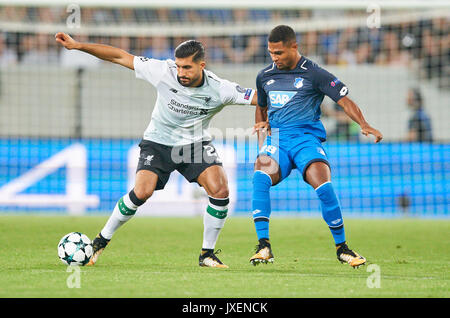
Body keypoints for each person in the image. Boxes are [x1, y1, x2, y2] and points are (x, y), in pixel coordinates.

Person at [55, 32, 257, 268]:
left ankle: (207, 254)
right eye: (179, 66)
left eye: (187, 68)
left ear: (202, 65)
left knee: (220, 191)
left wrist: (271, 117)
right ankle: (101, 241)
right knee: (142, 192)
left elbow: (259, 97)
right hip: (158, 142)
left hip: (194, 145)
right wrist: (78, 46)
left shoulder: (220, 88)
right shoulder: (163, 71)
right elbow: (119, 56)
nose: (181, 73)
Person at [250, 25, 383, 268]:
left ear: (294, 47)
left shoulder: (315, 74)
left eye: (279, 52)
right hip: (277, 140)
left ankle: (342, 248)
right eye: (271, 53)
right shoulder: (265, 75)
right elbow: (261, 102)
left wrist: (364, 124)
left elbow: (344, 101)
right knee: (260, 176)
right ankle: (263, 246)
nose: (274, 58)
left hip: (306, 140)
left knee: (323, 185)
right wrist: (260, 122)